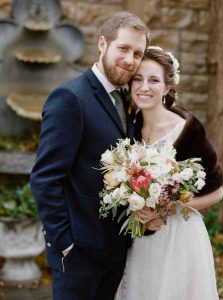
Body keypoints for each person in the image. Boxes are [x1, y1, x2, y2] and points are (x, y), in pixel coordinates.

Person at [30, 12, 149, 300]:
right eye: (123, 48)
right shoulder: (70, 98)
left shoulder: (127, 100)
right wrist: (66, 244)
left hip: (114, 250)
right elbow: (45, 178)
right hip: (78, 255)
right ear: (102, 44)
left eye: (137, 53)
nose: (130, 60)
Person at [115, 46, 223, 300]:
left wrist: (167, 208)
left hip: (178, 239)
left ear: (166, 87)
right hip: (141, 240)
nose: (144, 87)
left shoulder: (187, 129)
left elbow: (216, 193)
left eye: (154, 80)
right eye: (138, 79)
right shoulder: (129, 128)